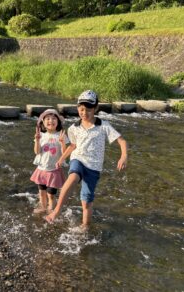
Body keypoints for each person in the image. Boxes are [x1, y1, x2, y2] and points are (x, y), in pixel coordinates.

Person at [45, 90, 128, 230]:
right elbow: (72, 146)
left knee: (86, 202)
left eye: (88, 110)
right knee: (72, 177)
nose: (84, 113)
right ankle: (57, 211)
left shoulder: (104, 125)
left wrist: (124, 155)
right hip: (78, 159)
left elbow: (122, 141)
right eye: (81, 109)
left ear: (95, 108)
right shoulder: (74, 128)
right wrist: (62, 158)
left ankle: (85, 227)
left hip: (94, 167)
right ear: (78, 108)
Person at [30, 109, 69, 214]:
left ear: (58, 122)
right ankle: (43, 207)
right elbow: (37, 152)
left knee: (51, 195)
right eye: (47, 119)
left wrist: (62, 143)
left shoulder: (61, 135)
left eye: (53, 118)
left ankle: (51, 210)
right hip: (42, 169)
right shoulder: (41, 135)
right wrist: (37, 140)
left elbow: (65, 154)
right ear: (43, 122)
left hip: (54, 170)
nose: (50, 121)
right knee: (41, 192)